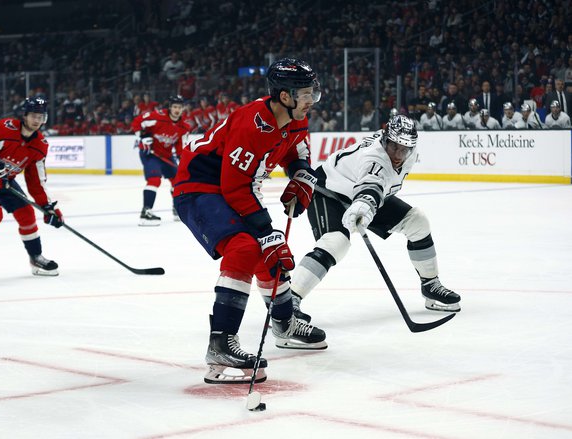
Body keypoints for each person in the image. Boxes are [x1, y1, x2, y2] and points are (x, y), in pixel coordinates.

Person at [173, 58, 328, 384]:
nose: (311, 99)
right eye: (305, 93)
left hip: (228, 186)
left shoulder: (296, 116)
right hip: (199, 187)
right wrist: (268, 232)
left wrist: (301, 175)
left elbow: (298, 148)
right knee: (246, 246)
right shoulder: (251, 125)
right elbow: (235, 187)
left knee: (267, 250)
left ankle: (284, 323)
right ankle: (220, 344)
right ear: (284, 96)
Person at [289, 115, 460, 327]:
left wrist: (367, 202)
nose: (397, 155)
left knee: (417, 222)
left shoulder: (409, 153)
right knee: (336, 243)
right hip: (330, 191)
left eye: (403, 149)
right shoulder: (375, 157)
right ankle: (287, 302)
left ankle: (430, 285)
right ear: (385, 140)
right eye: (394, 147)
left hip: (363, 193)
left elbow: (377, 187)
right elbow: (371, 184)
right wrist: (365, 205)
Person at [0, 96, 63, 286]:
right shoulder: (5, 128)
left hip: (4, 180)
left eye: (41, 117)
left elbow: (36, 181)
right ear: (24, 115)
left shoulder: (40, 145)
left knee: (27, 213)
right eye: (33, 115)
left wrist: (47, 207)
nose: (37, 120)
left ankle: (36, 258)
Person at [131, 95, 190, 226]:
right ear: (170, 107)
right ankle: (145, 213)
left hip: (166, 156)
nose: (177, 110)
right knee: (154, 180)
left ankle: (177, 210)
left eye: (179, 107)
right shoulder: (157, 117)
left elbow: (180, 147)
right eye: (174, 107)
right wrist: (142, 136)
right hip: (150, 153)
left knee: (177, 181)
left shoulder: (184, 127)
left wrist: (182, 161)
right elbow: (137, 122)